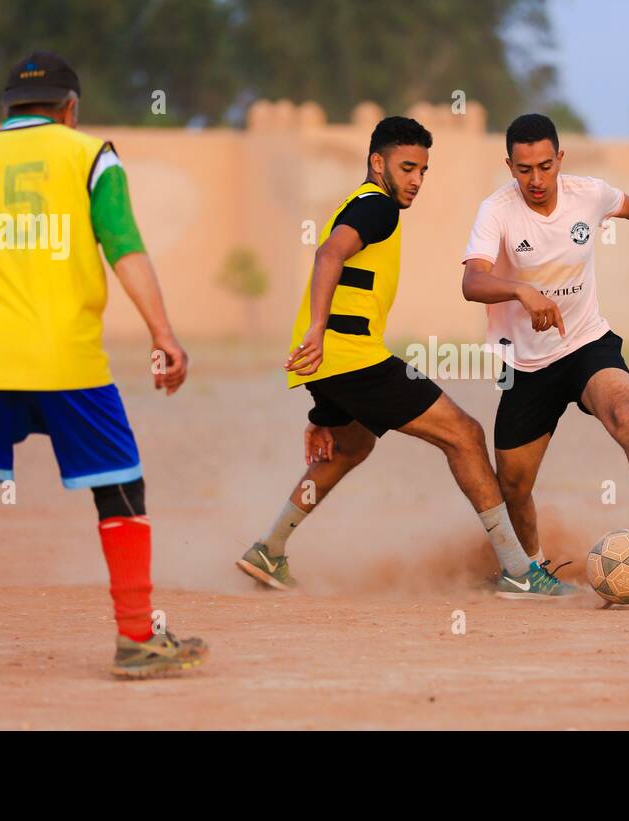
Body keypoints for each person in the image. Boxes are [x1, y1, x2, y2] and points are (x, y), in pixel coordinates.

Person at [0, 51, 207, 681]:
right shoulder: (90, 157)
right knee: (119, 486)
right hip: (67, 359)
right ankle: (138, 639)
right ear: (70, 109)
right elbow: (126, 248)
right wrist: (163, 333)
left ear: (6, 110)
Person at [236, 116, 576, 600]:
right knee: (465, 434)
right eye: (407, 167)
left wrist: (323, 405)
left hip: (333, 362)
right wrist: (317, 331)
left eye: (423, 170)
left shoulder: (358, 204)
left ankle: (269, 549)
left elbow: (339, 270)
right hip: (350, 356)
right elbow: (328, 256)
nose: (416, 180)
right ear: (378, 163)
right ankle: (519, 570)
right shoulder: (378, 207)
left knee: (352, 447)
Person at [460, 113, 629, 571]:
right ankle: (532, 570)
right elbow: (472, 282)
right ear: (509, 166)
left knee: (624, 409)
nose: (536, 179)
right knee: (513, 485)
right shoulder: (496, 211)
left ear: (560, 158)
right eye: (524, 169)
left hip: (587, 344)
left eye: (545, 166)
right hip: (529, 366)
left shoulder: (587, 195)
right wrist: (519, 289)